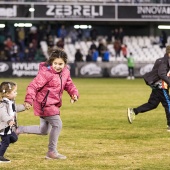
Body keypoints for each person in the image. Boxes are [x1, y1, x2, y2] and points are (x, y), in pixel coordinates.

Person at [16, 47, 79, 160]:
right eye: (55, 63)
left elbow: (69, 85)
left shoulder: (66, 72)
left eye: (61, 64)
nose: (58, 66)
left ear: (65, 63)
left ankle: (19, 129)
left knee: (44, 130)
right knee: (57, 124)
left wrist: (74, 94)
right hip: (44, 105)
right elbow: (33, 86)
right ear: (51, 62)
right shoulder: (46, 73)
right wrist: (29, 100)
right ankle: (51, 152)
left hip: (53, 104)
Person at [127, 45, 170, 131]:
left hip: (156, 86)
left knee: (152, 104)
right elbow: (161, 74)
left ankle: (134, 111)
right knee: (168, 104)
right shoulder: (165, 61)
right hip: (161, 86)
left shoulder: (160, 60)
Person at [0, 82, 26, 163]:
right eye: (14, 92)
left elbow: (15, 108)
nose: (16, 93)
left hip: (9, 127)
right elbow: (3, 114)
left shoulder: (11, 102)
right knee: (6, 142)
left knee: (14, 138)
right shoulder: (3, 104)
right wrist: (9, 120)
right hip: (4, 127)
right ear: (7, 94)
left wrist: (24, 107)